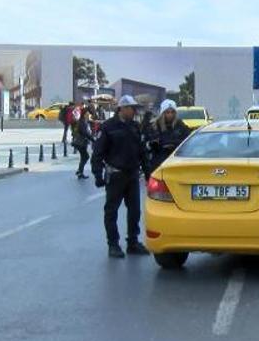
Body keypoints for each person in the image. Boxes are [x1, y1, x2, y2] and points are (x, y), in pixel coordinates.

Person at [92, 95, 151, 258]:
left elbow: (142, 151)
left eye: (134, 108)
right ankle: (113, 244)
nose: (134, 111)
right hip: (115, 175)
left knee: (134, 211)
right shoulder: (108, 127)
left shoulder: (135, 127)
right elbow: (97, 153)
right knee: (111, 211)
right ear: (122, 109)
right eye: (131, 108)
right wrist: (97, 174)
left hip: (132, 175)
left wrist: (148, 173)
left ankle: (133, 242)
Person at [148, 99, 190, 173]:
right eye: (167, 112)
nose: (170, 115)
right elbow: (152, 142)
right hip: (159, 163)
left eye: (172, 112)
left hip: (175, 161)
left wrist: (173, 144)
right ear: (163, 113)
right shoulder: (155, 126)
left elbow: (187, 139)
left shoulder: (180, 125)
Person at [71, 107, 94, 179]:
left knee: (83, 157)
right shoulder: (82, 122)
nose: (89, 115)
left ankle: (80, 171)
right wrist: (93, 140)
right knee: (86, 157)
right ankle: (80, 171)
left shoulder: (84, 121)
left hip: (81, 143)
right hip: (80, 143)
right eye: (88, 114)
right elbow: (85, 133)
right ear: (84, 114)